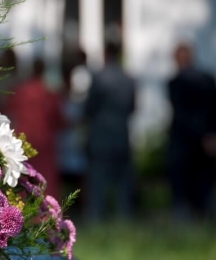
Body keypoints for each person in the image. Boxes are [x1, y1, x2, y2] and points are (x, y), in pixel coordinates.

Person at [84, 42, 136, 221]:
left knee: (98, 181)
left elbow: (89, 108)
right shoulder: (128, 79)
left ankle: (96, 217)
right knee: (123, 182)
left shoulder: (98, 79)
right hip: (122, 134)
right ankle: (124, 217)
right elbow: (132, 108)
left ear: (106, 54)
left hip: (101, 135)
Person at [167, 43, 216, 219]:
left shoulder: (176, 82)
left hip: (183, 143)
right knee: (204, 185)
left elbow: (182, 114)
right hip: (205, 142)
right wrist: (209, 135)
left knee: (182, 189)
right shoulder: (207, 79)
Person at [3, 58, 64, 199]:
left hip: (24, 138)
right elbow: (57, 117)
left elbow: (7, 111)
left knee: (25, 176)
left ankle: (25, 207)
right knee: (46, 176)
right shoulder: (48, 93)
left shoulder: (20, 91)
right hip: (44, 139)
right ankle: (47, 208)